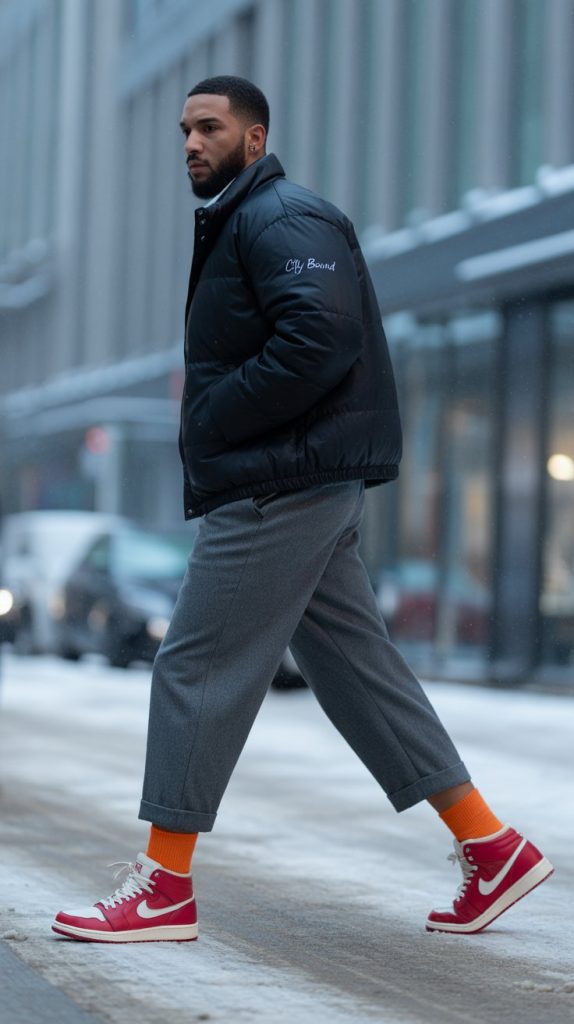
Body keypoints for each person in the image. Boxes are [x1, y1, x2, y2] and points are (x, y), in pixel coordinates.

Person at [52, 77, 552, 943]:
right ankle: (491, 845)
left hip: (277, 484)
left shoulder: (281, 217)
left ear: (256, 139)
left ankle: (164, 885)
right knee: (356, 671)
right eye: (184, 129)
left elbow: (320, 337)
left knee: (194, 666)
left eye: (209, 127)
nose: (191, 142)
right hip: (301, 478)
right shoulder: (248, 220)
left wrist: (215, 414)